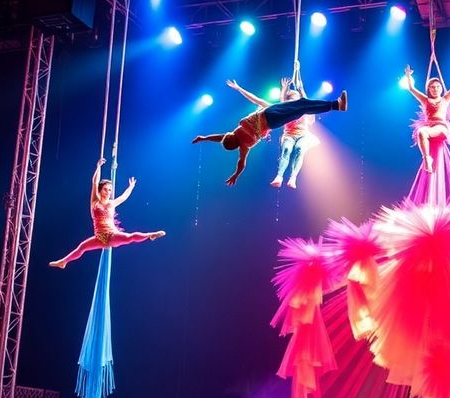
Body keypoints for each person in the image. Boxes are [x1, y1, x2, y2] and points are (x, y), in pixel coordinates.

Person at [193, 78, 347, 187]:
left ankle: (336, 105)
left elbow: (241, 163)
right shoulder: (237, 132)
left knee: (303, 106)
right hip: (270, 115)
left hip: (275, 122)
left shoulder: (244, 147)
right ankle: (335, 105)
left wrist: (236, 175)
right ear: (230, 137)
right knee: (303, 104)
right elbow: (219, 137)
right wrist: (203, 138)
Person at [49, 158, 165, 269]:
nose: (108, 192)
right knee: (82, 247)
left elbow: (123, 197)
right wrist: (98, 167)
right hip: (100, 237)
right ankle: (63, 262)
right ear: (100, 190)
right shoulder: (95, 201)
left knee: (131, 237)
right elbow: (94, 183)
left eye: (110, 190)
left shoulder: (111, 203)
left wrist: (131, 187)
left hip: (111, 235)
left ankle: (151, 235)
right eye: (106, 189)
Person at [403, 62, 450, 174]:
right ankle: (426, 158)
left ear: (441, 88)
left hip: (441, 128)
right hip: (430, 128)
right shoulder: (425, 100)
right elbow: (411, 88)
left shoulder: (445, 99)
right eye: (432, 87)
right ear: (429, 89)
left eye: (438, 87)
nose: (435, 89)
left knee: (425, 131)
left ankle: (427, 158)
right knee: (421, 132)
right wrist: (408, 76)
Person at [273, 61, 323, 189]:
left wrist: (298, 71)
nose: (293, 100)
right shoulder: (286, 107)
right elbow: (282, 102)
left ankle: (293, 177)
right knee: (287, 150)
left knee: (300, 150)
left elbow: (303, 95)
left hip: (303, 135)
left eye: (296, 98)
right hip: (289, 135)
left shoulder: (303, 107)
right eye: (291, 98)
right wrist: (284, 89)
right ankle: (279, 176)